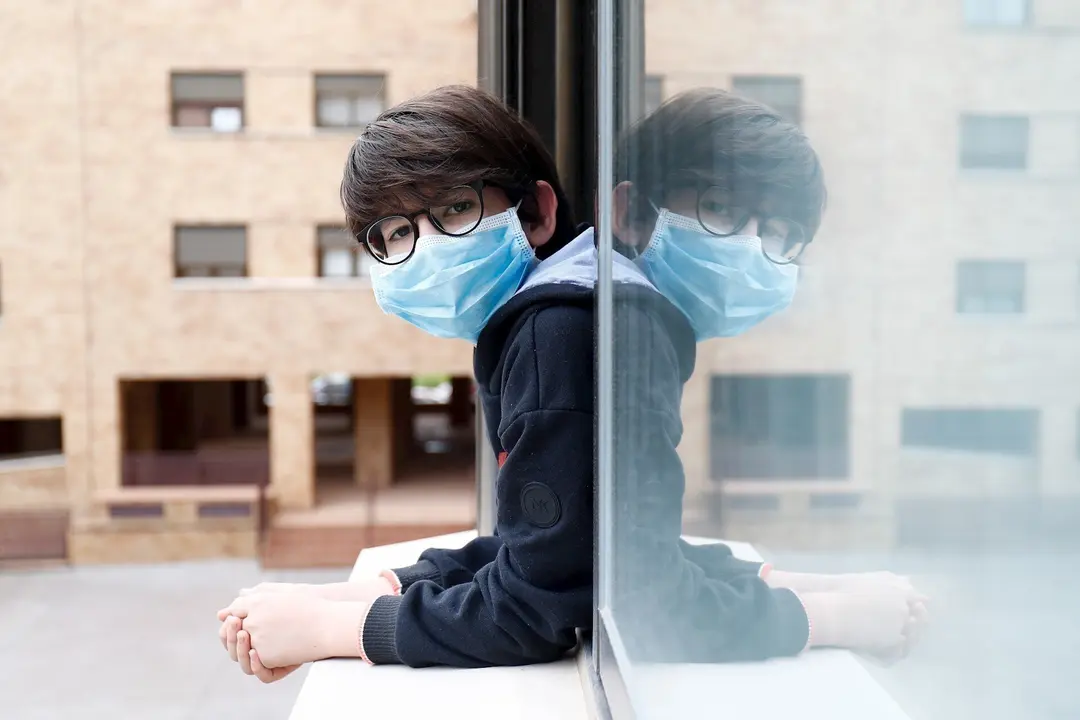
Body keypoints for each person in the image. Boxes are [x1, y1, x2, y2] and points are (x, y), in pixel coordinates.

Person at [216, 85, 925, 680]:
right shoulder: (590, 317)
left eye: (456, 211)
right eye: (394, 233)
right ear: (626, 213)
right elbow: (576, 550)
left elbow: (556, 609)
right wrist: (390, 584)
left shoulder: (565, 331)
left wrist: (337, 631)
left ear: (541, 213)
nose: (424, 249)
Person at [604, 86, 928, 662]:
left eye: (778, 232)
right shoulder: (629, 338)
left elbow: (616, 552)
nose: (751, 248)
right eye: (723, 209)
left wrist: (790, 579)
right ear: (630, 214)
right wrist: (834, 617)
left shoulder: (616, 312)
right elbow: (642, 604)